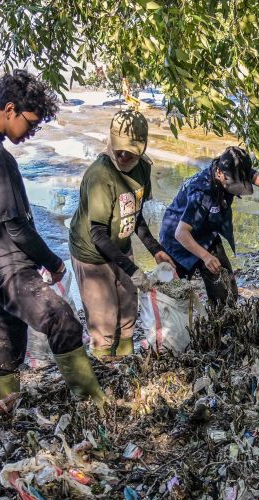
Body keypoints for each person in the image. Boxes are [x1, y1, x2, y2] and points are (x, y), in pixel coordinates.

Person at [0, 70, 104, 404]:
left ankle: (2, 413)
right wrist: (54, 263)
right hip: (9, 270)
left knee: (4, 348)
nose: (31, 133)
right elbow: (18, 227)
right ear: (9, 109)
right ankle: (92, 404)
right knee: (63, 322)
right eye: (30, 123)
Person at [68, 109, 174, 360]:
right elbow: (97, 234)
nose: (124, 156)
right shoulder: (100, 176)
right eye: (119, 150)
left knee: (128, 314)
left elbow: (135, 217)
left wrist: (156, 250)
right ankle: (105, 369)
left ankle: (125, 366)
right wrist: (133, 270)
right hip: (92, 254)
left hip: (120, 247)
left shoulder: (142, 169)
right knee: (104, 322)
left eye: (131, 151)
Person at [159, 146, 259, 306]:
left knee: (226, 291)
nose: (238, 188)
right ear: (220, 174)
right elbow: (181, 233)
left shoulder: (234, 169)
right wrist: (206, 256)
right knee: (175, 296)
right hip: (178, 242)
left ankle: (219, 320)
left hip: (206, 234)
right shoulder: (201, 192)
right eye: (235, 184)